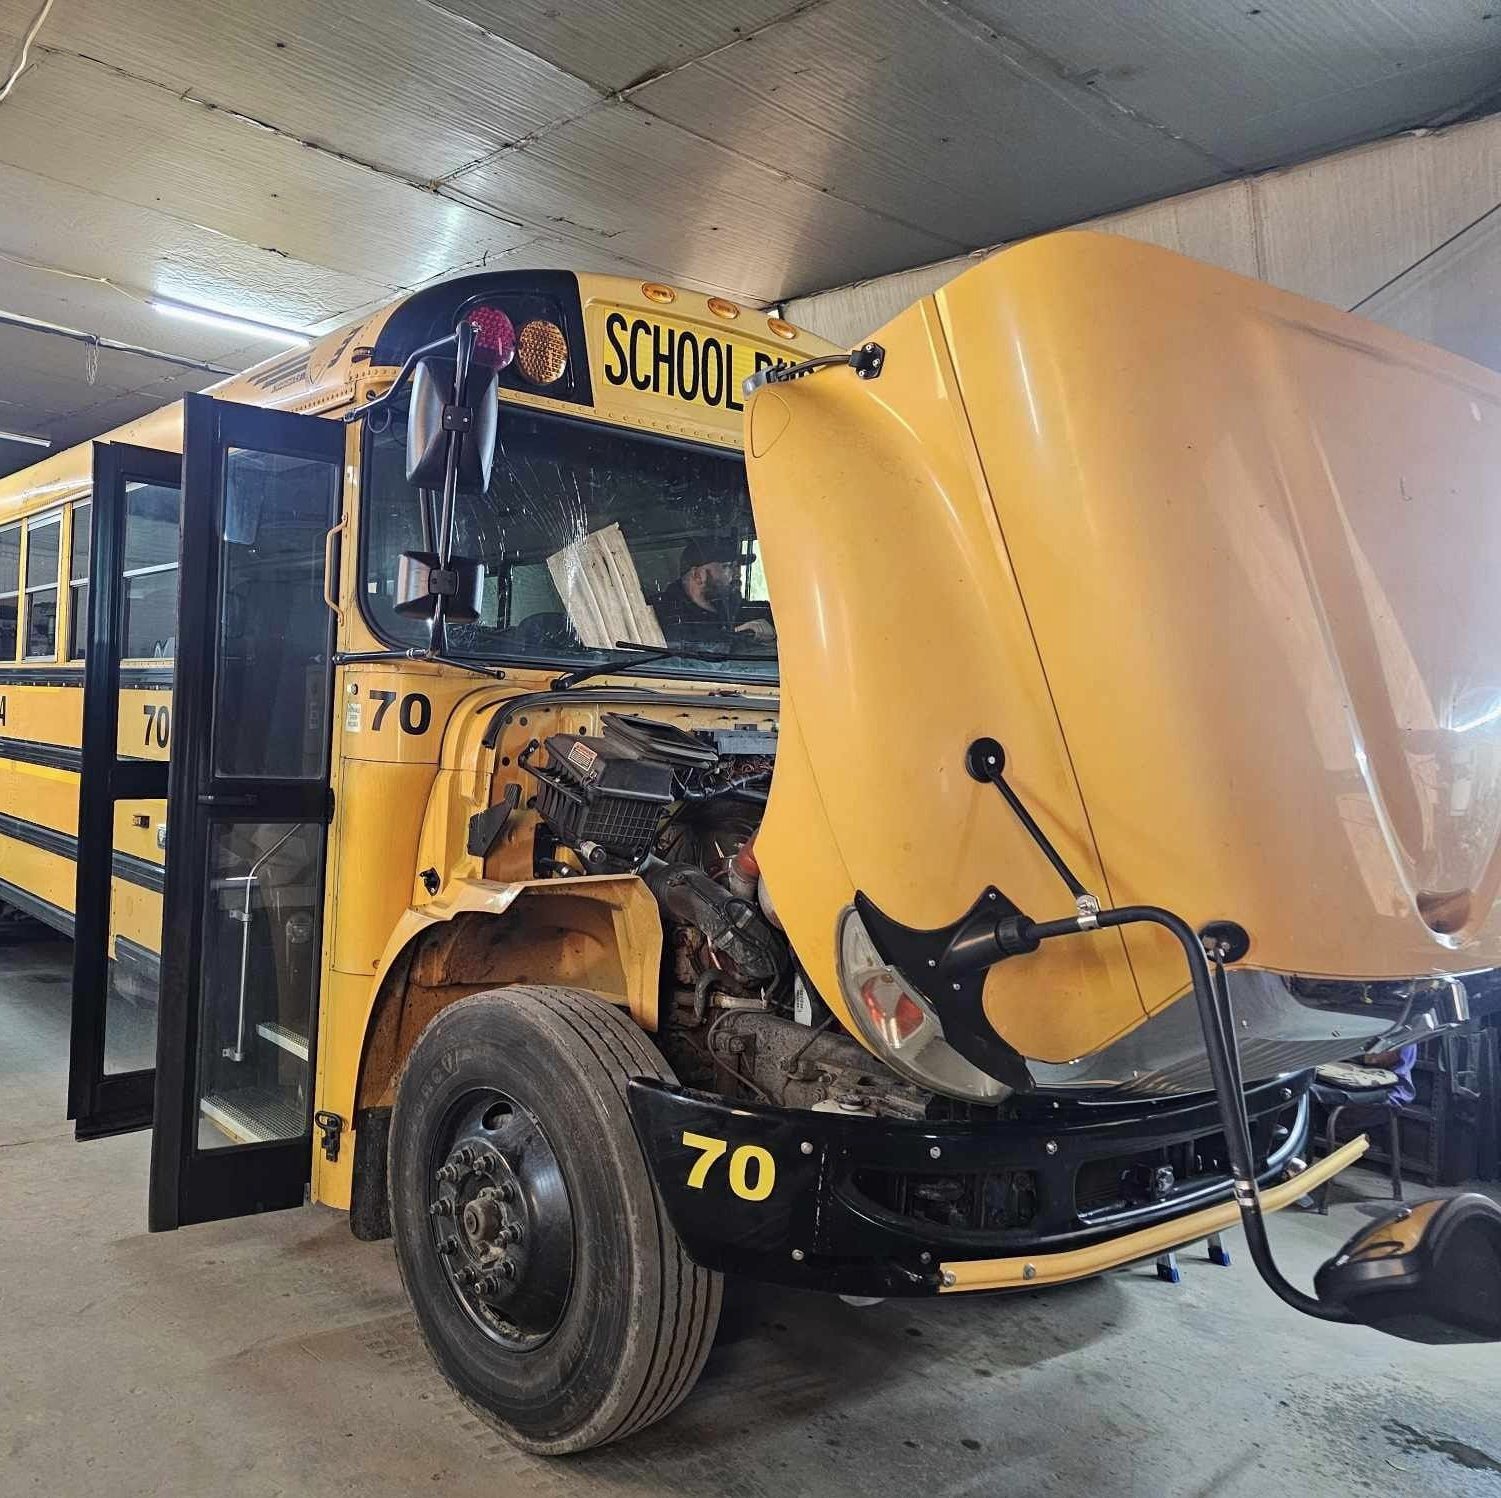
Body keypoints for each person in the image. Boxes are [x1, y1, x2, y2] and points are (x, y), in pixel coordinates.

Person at [652, 536, 775, 647]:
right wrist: (742, 633)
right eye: (727, 566)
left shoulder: (727, 606)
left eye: (737, 566)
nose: (738, 573)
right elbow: (690, 652)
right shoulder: (665, 612)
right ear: (698, 575)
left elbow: (765, 612)